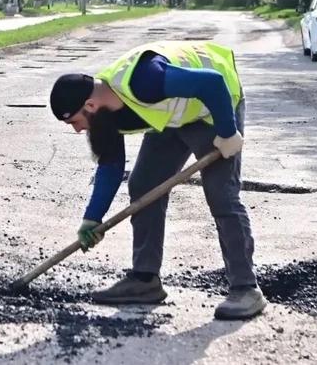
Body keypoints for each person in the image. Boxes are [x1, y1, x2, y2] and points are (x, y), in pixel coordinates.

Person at [48, 40, 267, 320]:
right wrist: (93, 218)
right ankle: (145, 280)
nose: (78, 130)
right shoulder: (106, 112)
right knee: (144, 184)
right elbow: (110, 165)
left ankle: (246, 288)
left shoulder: (144, 81)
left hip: (214, 107)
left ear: (90, 105)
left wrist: (228, 132)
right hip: (175, 115)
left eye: (75, 122)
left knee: (221, 194)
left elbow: (212, 84)